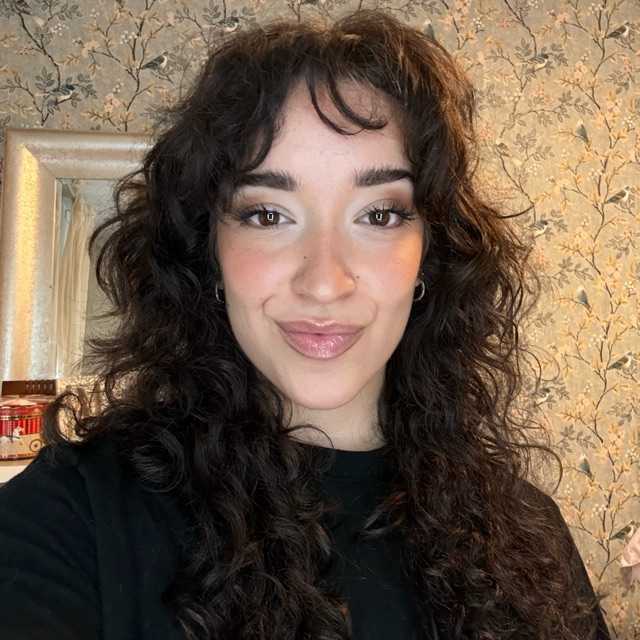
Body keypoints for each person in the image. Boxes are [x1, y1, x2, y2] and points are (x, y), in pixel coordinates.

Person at [0, 8, 612, 640]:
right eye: (268, 215)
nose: (323, 282)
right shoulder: (74, 518)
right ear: (210, 250)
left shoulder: (528, 531)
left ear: (429, 254)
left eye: (378, 215)